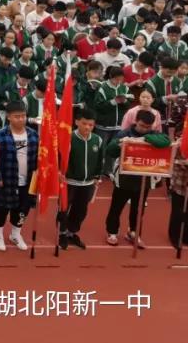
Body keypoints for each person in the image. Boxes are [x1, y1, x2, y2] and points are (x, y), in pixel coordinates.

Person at [103, 109, 170, 247]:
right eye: (141, 126)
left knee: (138, 209)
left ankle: (133, 232)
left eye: (148, 127)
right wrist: (120, 143)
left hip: (143, 179)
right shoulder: (124, 133)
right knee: (116, 207)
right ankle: (112, 232)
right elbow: (110, 150)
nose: (144, 129)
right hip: (124, 178)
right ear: (136, 122)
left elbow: (166, 141)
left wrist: (144, 139)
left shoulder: (153, 134)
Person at [0, 101, 37, 252]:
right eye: (17, 116)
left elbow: (39, 158)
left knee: (23, 209)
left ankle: (15, 234)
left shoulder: (33, 135)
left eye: (23, 116)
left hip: (28, 180)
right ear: (9, 117)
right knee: (1, 208)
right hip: (7, 180)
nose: (21, 119)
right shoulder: (0, 135)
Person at [60, 106, 102, 250]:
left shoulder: (97, 140)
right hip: (69, 182)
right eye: (84, 123)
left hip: (87, 183)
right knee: (63, 209)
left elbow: (99, 160)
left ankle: (71, 233)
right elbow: (60, 158)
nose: (87, 127)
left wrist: (97, 176)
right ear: (77, 122)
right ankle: (62, 233)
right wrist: (60, 173)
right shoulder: (69, 138)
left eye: (91, 125)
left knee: (80, 211)